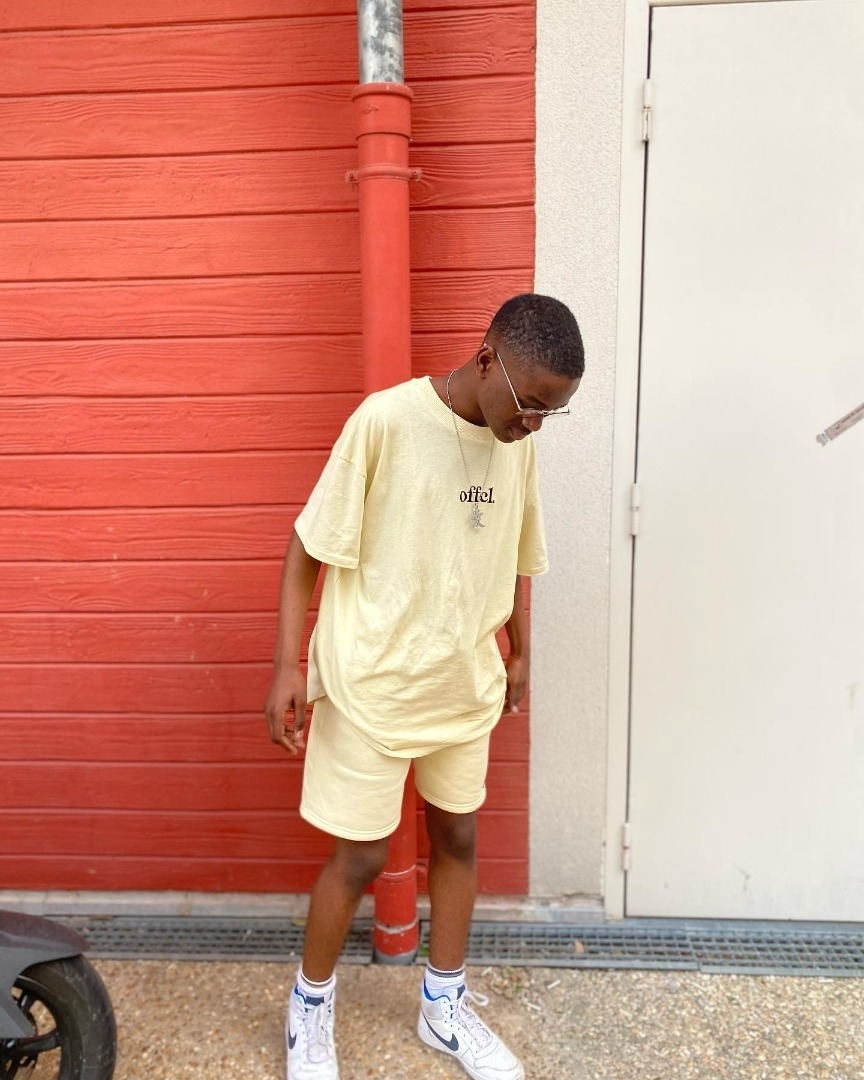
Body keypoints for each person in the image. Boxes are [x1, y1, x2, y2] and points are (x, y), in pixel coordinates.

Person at [264, 293, 584, 1080]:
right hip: (372, 683)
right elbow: (307, 548)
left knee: (459, 840)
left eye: (553, 412)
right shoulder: (386, 423)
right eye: (531, 403)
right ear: (487, 359)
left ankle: (444, 1007)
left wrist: (520, 651)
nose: (535, 423)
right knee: (361, 857)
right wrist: (287, 666)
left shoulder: (517, 444)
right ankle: (309, 1008)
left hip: (462, 683)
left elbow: (516, 552)